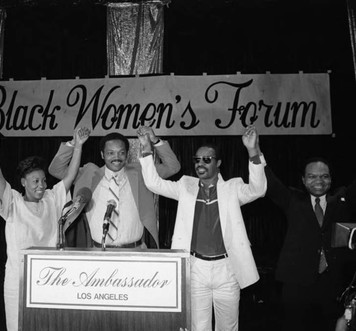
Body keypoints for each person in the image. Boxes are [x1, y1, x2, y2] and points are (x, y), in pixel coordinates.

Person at [138, 125, 266, 331]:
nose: (200, 163)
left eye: (207, 159)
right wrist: (147, 146)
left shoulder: (232, 188)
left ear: (219, 163)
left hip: (227, 269)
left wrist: (253, 151)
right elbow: (154, 184)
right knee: (198, 327)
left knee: (228, 327)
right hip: (195, 268)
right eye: (197, 159)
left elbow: (258, 189)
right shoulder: (185, 186)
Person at [0, 121, 89, 331]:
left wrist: (78, 145)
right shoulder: (13, 202)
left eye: (43, 181)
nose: (41, 186)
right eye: (35, 181)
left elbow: (69, 176)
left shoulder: (52, 198)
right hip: (18, 280)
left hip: (48, 278)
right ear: (23, 182)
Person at [48, 126, 181, 249]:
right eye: (110, 153)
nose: (116, 157)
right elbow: (55, 169)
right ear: (102, 155)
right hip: (98, 252)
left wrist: (155, 141)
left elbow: (173, 167)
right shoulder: (88, 174)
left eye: (121, 153)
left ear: (127, 154)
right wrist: (74, 143)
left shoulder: (141, 171)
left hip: (136, 251)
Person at [265, 155, 356, 331]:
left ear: (331, 179)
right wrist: (254, 150)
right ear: (303, 180)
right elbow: (270, 182)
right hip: (296, 285)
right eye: (312, 176)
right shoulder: (293, 200)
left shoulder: (342, 199)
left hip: (333, 285)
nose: (319, 181)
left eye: (324, 176)